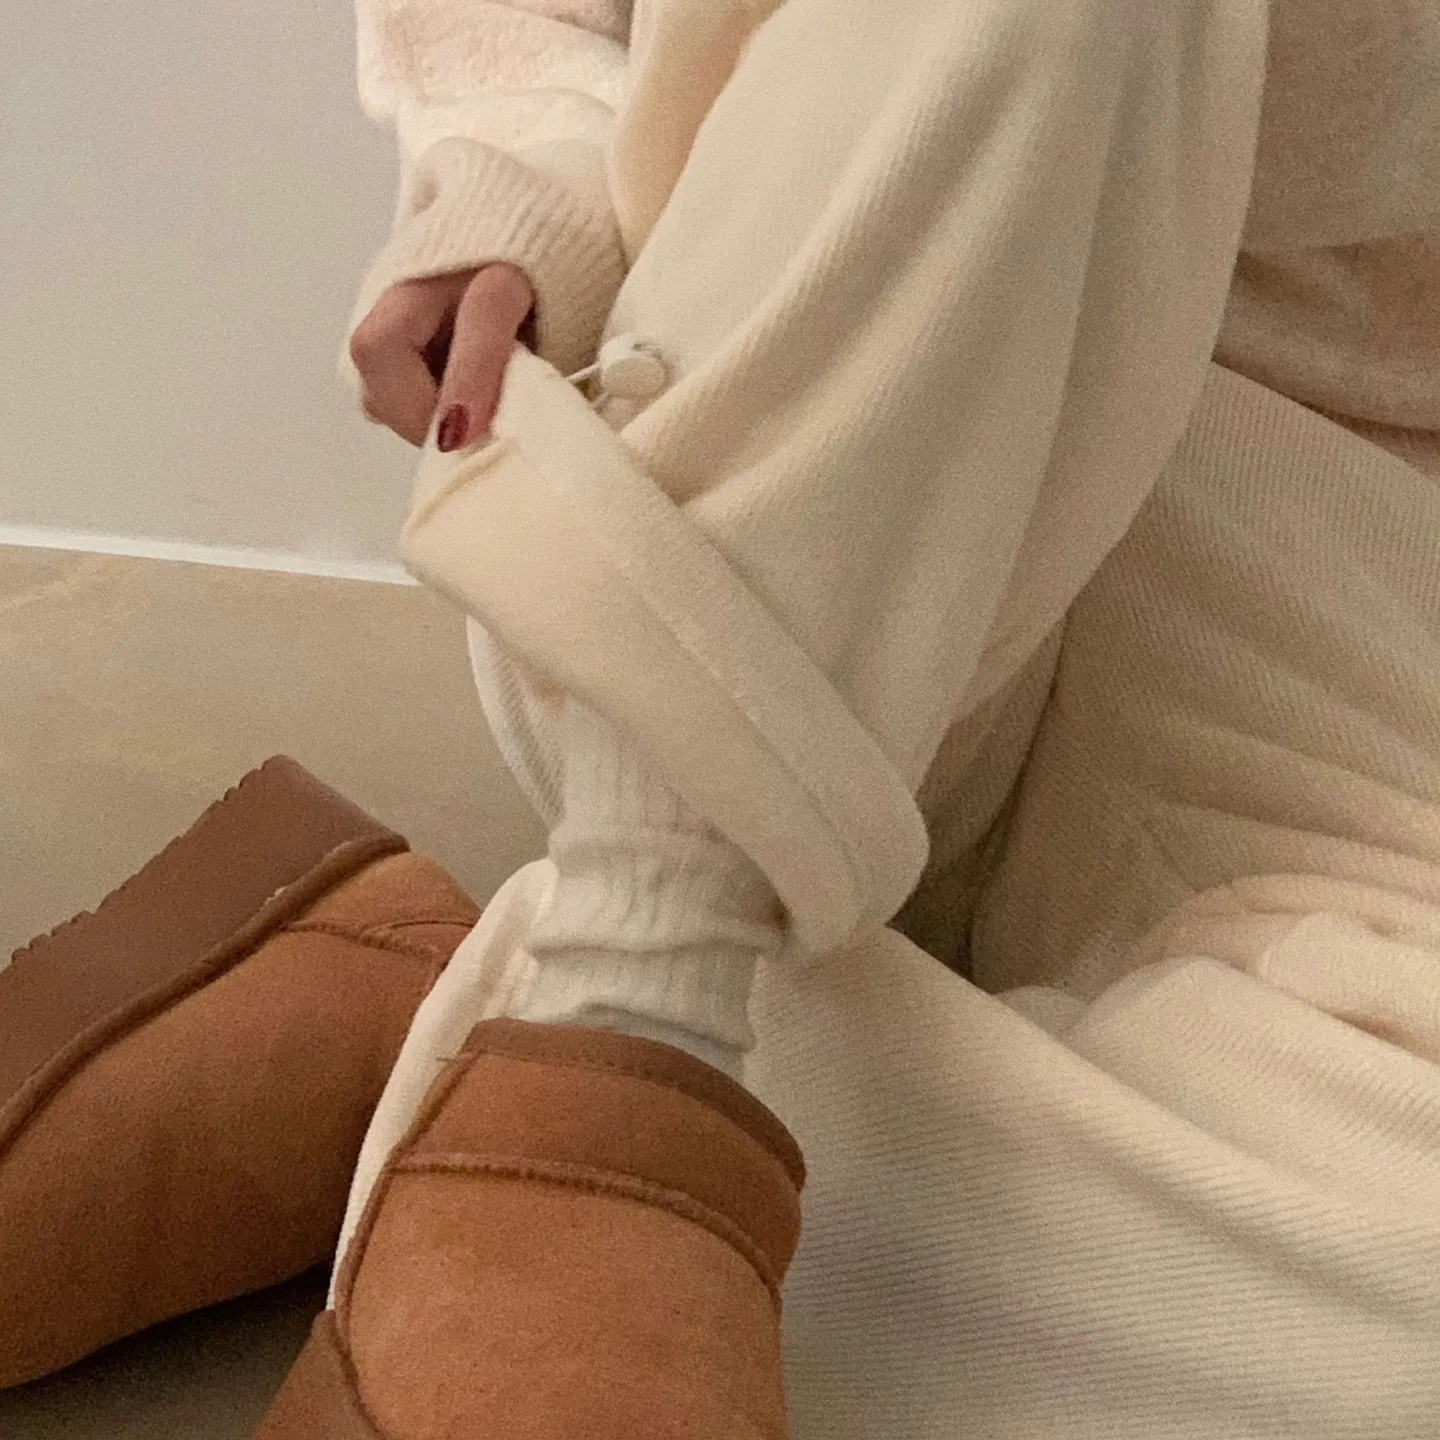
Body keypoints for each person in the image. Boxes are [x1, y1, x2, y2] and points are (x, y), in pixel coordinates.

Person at [258, 0, 1440, 1435]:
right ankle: (638, 985)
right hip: (795, 457)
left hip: (1342, 572)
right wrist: (529, 188)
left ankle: (466, 1040)